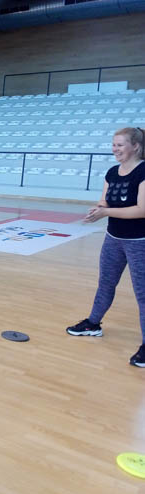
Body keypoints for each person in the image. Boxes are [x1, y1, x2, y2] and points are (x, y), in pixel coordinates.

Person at [67, 127, 145, 367]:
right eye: (113, 145)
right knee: (106, 283)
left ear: (135, 146)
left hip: (139, 242)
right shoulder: (112, 172)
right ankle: (93, 323)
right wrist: (98, 210)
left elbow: (141, 210)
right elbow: (105, 201)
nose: (115, 149)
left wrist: (106, 213)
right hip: (113, 238)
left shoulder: (143, 171)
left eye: (120, 145)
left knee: (142, 294)